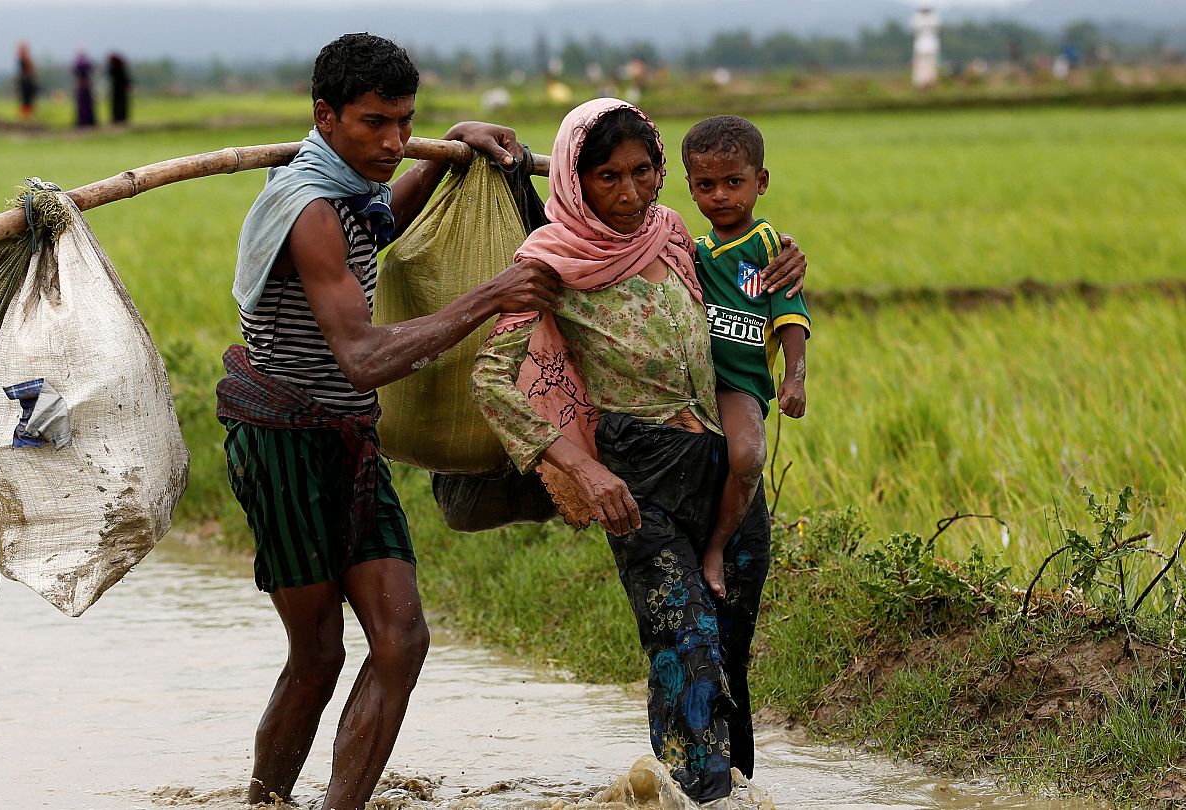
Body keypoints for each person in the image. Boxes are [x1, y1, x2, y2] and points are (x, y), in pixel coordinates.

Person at [216, 32, 557, 810]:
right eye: (375, 123)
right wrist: (489, 296)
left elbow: (378, 225)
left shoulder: (348, 193)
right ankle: (264, 802)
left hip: (349, 439)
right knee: (319, 656)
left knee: (402, 642)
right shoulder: (306, 208)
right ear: (325, 116)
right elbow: (364, 359)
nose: (395, 142)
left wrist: (448, 152)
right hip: (283, 439)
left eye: (407, 123)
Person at [470, 99, 804, 802]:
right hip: (637, 475)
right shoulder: (549, 260)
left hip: (720, 468)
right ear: (574, 180)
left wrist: (780, 269)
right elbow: (490, 381)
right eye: (607, 178)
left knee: (731, 645)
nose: (629, 194)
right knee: (687, 648)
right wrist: (583, 469)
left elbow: (747, 297)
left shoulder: (676, 234)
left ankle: (730, 792)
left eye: (643, 172)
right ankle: (694, 794)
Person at [681, 114, 809, 601]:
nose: (720, 195)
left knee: (748, 454)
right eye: (706, 184)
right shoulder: (691, 250)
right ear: (690, 188)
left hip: (738, 384)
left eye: (734, 182)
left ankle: (716, 545)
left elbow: (790, 317)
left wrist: (795, 379)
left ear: (761, 182)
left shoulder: (769, 248)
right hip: (687, 386)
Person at [72, 50, 96, 128]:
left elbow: (75, 73)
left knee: (83, 106)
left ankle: (83, 121)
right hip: (85, 87)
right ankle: (87, 121)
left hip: (82, 87)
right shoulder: (86, 64)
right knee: (86, 106)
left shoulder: (78, 64)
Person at [16, 41, 38, 120]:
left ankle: (28, 117)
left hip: (27, 83)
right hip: (25, 83)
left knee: (28, 101)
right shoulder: (23, 60)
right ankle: (25, 117)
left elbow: (31, 72)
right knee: (25, 101)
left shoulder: (25, 60)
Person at [106, 52, 130, 125]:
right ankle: (121, 118)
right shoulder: (120, 67)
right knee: (120, 104)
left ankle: (118, 118)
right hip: (119, 88)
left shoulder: (115, 67)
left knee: (118, 104)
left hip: (117, 88)